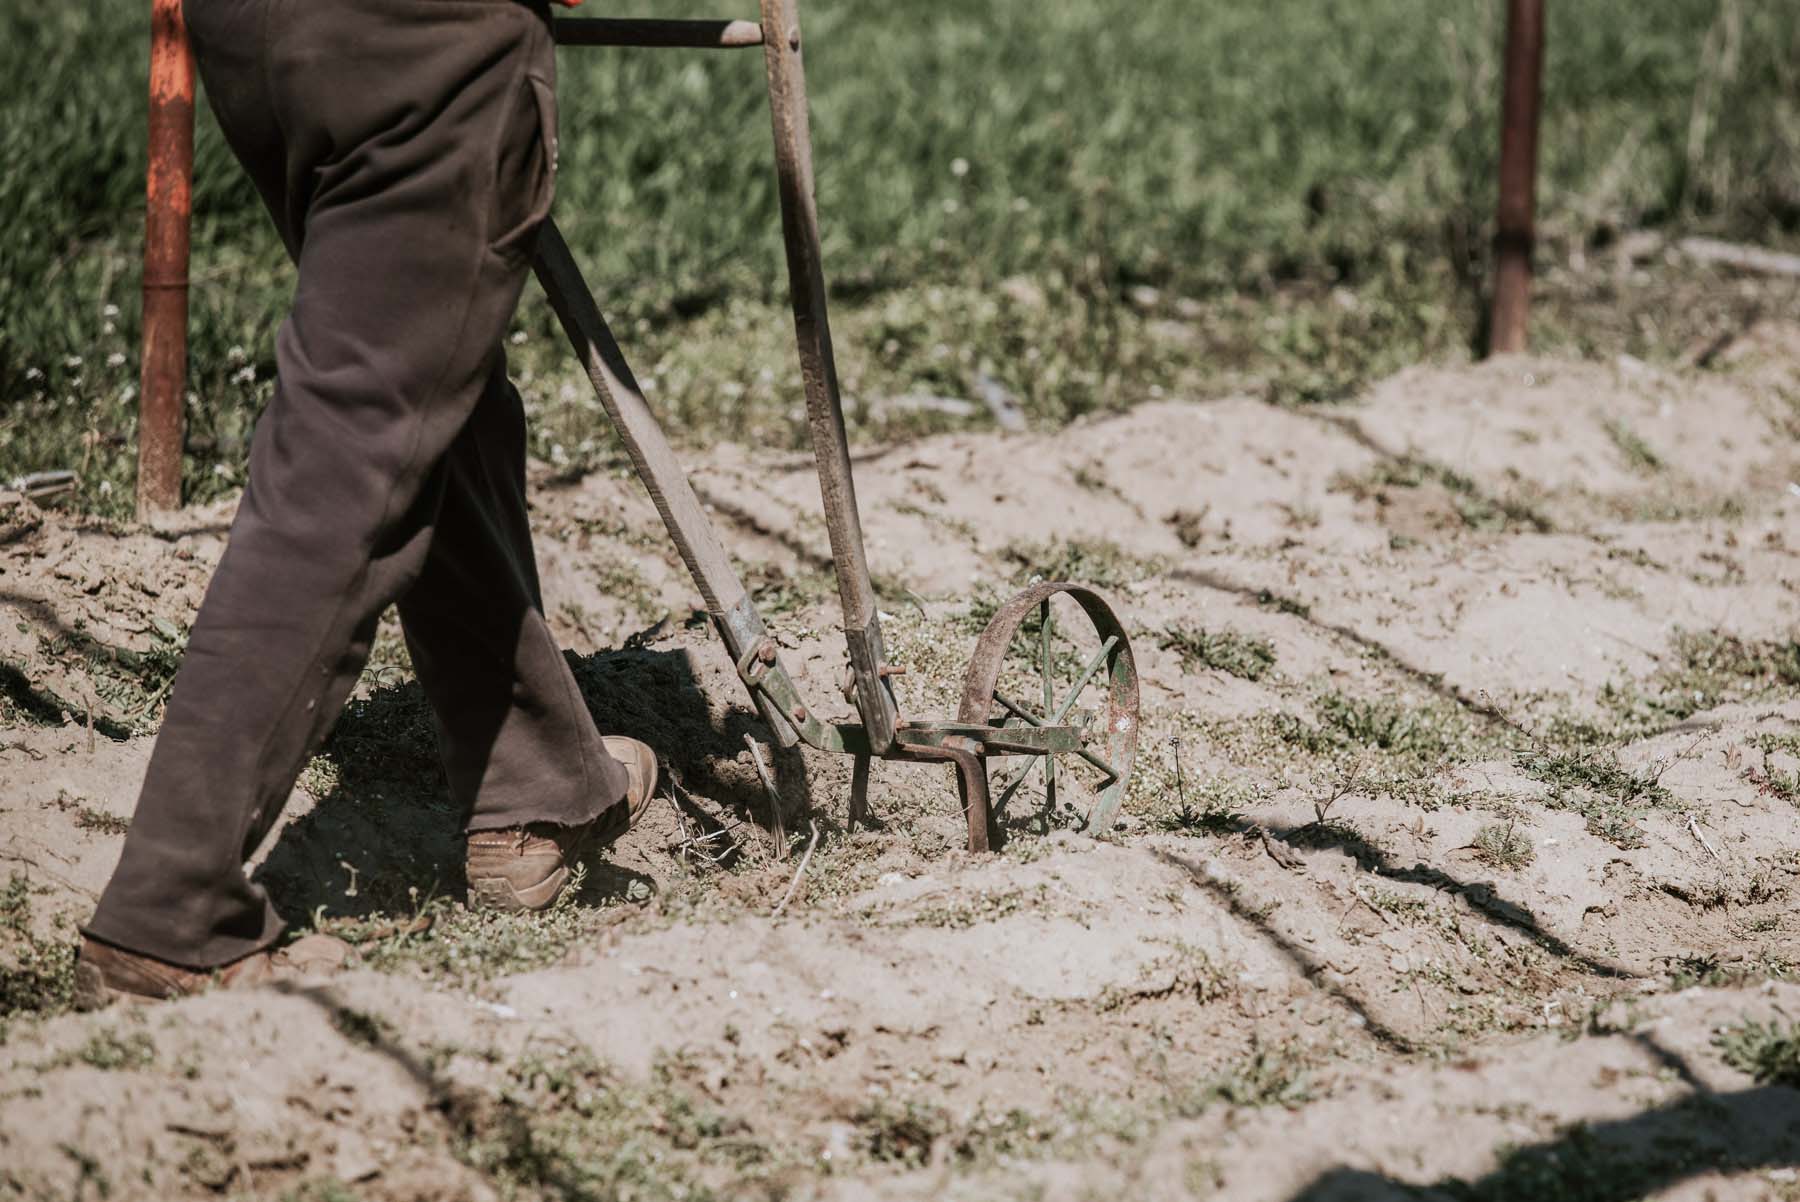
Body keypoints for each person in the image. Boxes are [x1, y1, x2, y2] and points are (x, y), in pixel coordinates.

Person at [72, 0, 657, 1007]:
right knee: (352, 446)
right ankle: (171, 908)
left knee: (420, 380)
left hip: (257, 35)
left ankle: (534, 781)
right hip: (426, 45)